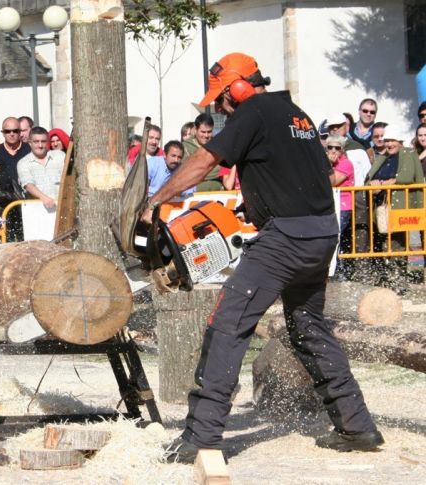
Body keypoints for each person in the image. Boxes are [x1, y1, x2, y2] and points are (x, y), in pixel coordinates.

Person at [142, 52, 383, 463]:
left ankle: (201, 436)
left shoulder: (252, 111)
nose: (219, 107)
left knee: (228, 324)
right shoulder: (296, 115)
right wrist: (252, 209)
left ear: (239, 87)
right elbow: (296, 176)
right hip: (321, 233)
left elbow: (203, 161)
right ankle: (357, 424)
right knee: (308, 326)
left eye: (221, 97)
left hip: (286, 239)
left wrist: (156, 200)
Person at [354, 126, 424, 289]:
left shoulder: (408, 153)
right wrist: (373, 184)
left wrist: (385, 184)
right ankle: (389, 278)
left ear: (400, 141)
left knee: (397, 243)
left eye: (392, 140)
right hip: (381, 207)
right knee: (385, 243)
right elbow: (368, 178)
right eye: (387, 140)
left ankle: (398, 281)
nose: (389, 143)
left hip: (400, 205)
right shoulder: (382, 156)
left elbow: (406, 176)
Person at [325, 134, 355, 280]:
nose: (333, 151)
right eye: (330, 147)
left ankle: (337, 272)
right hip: (329, 205)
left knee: (335, 237)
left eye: (337, 148)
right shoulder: (325, 162)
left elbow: (333, 181)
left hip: (342, 205)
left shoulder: (346, 163)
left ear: (342, 150)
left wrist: (327, 164)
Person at [17, 127, 65, 210]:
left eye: (43, 141)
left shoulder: (60, 156)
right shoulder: (23, 163)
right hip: (37, 211)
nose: (40, 145)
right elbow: (28, 185)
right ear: (30, 143)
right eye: (36, 142)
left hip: (62, 208)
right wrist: (44, 198)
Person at [185, 114, 222, 192]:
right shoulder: (186, 147)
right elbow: (187, 173)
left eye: (209, 132)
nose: (206, 135)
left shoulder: (218, 145)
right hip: (195, 193)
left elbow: (222, 169)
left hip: (218, 192)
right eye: (203, 132)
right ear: (195, 129)